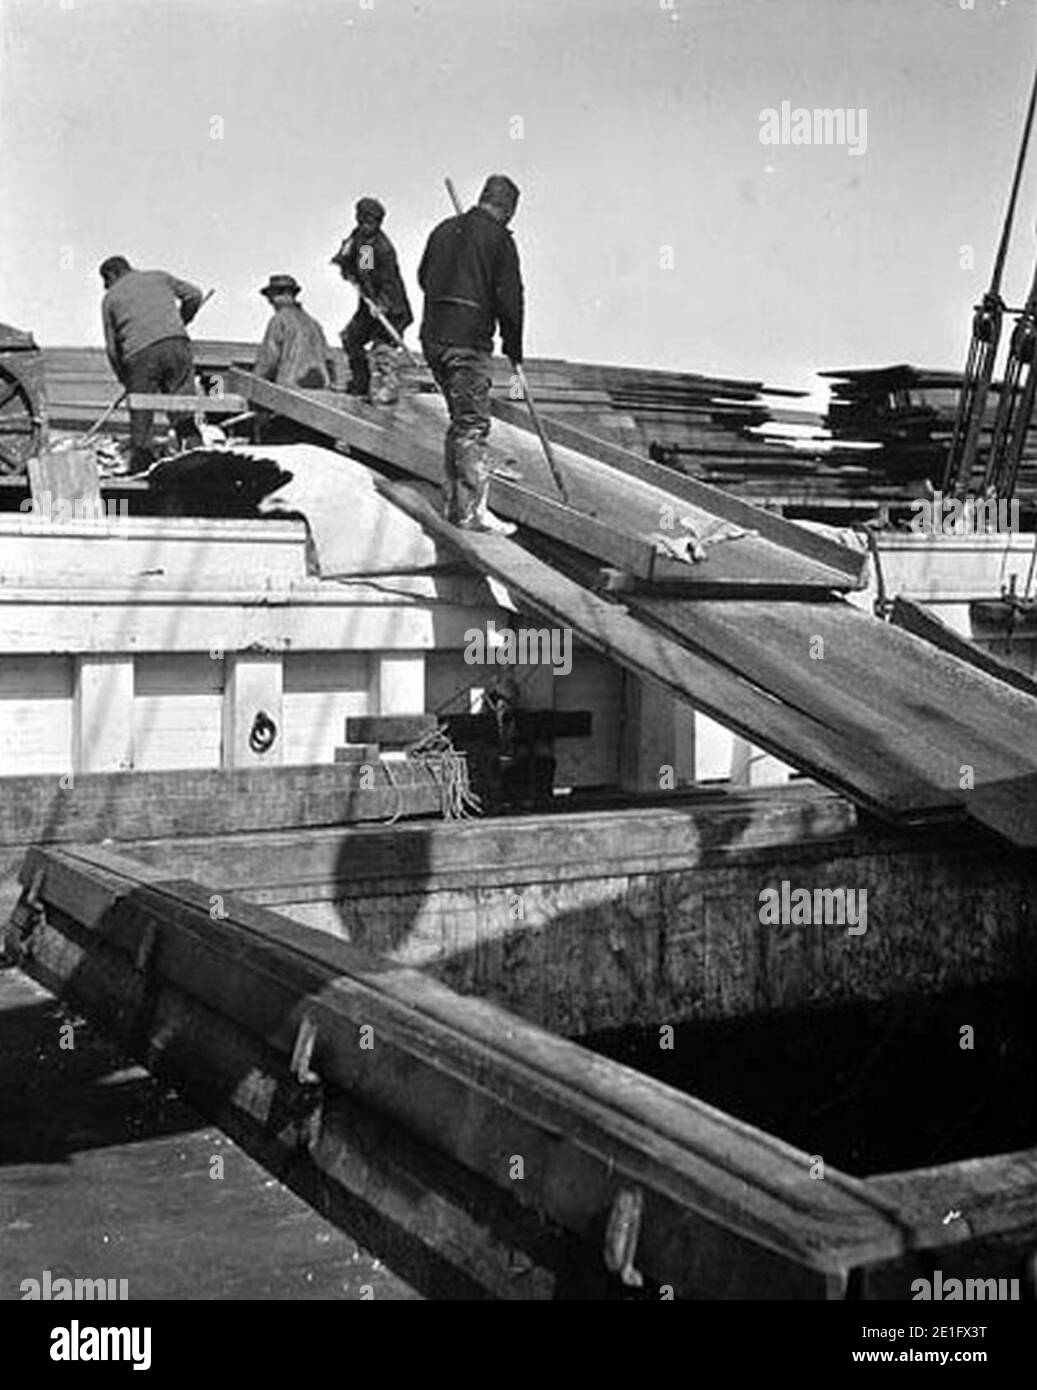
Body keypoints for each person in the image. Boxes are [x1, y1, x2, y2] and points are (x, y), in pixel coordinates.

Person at [417, 174, 523, 534]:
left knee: (460, 420)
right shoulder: (500, 240)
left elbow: (423, 277)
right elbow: (510, 300)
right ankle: (469, 513)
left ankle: (455, 502)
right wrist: (514, 347)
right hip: (467, 341)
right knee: (472, 425)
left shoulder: (443, 230)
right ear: (508, 210)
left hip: (434, 337)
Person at [99, 255, 204, 473]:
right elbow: (195, 295)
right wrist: (182, 321)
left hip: (139, 355)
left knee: (142, 416)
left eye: (105, 281)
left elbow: (112, 348)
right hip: (177, 345)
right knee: (183, 407)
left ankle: (140, 468)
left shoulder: (110, 299)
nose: (106, 286)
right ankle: (198, 458)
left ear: (111, 275)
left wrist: (125, 379)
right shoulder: (159, 277)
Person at [331, 197, 413, 404]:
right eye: (363, 221)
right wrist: (346, 268)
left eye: (371, 223)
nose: (366, 226)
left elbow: (388, 282)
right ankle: (360, 382)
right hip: (369, 303)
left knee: (382, 346)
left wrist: (382, 304)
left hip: (392, 308)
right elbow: (354, 262)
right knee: (351, 338)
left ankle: (389, 387)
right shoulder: (360, 239)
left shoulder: (383, 249)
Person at [254, 274, 337, 389]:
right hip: (320, 393)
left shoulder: (279, 320)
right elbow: (329, 361)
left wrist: (253, 384)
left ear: (282, 294)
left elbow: (268, 361)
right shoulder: (314, 324)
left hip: (289, 390)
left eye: (271, 297)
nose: (270, 302)